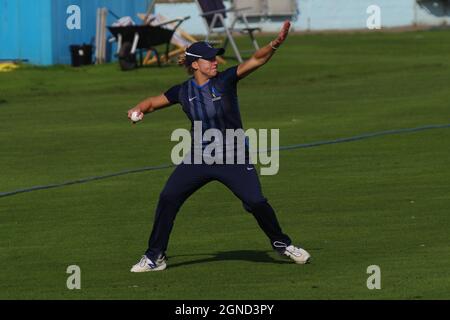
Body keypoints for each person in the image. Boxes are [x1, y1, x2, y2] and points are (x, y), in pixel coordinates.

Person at [127, 21, 310, 272]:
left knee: (256, 202)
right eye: (209, 59)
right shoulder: (182, 91)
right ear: (195, 65)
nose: (215, 62)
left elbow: (256, 60)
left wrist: (274, 45)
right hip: (199, 157)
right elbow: (152, 102)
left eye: (215, 58)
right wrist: (138, 109)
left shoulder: (225, 81)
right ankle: (154, 256)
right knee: (168, 198)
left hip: (233, 156)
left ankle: (283, 244)